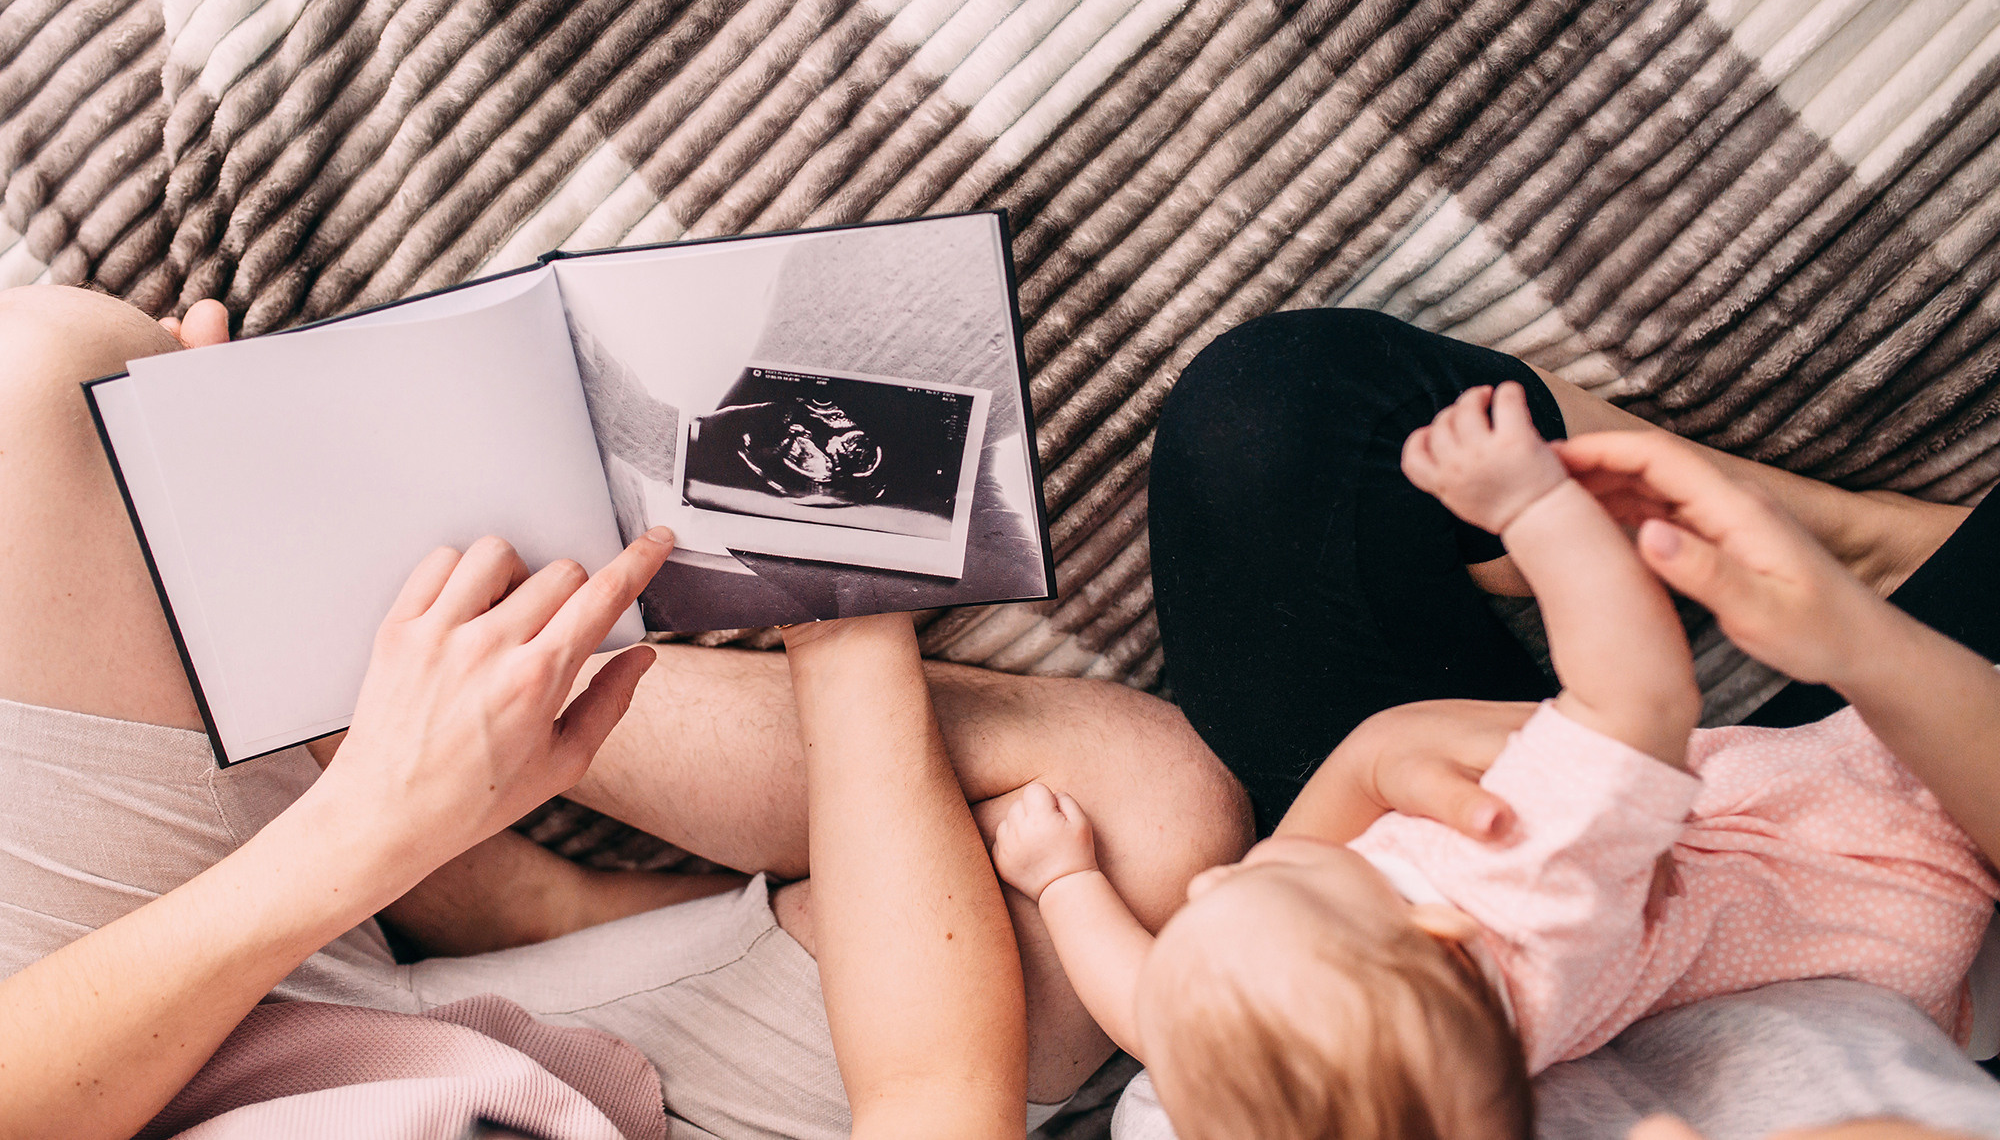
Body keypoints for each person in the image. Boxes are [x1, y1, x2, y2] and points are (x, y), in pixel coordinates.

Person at [0, 283, 1254, 1139]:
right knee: (1138, 815)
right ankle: (507, 868)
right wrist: (840, 601)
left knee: (44, 376)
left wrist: (366, 825)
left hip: (154, 1077)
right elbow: (927, 1091)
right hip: (614, 1107)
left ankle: (357, 705)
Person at [991, 381, 2000, 1138]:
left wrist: (1070, 879)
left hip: (1742, 904)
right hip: (1864, 866)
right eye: (1259, 875)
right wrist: (1531, 506)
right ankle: (1844, 572)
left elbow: (1156, 1006)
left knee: (1277, 408)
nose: (1210, 875)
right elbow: (1636, 691)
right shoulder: (1529, 899)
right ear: (1431, 925)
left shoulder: (1259, 1086)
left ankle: (1862, 557)